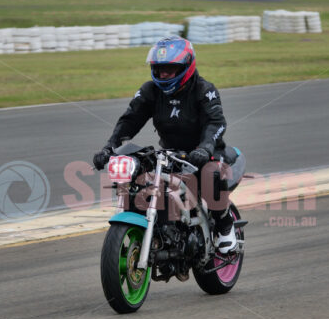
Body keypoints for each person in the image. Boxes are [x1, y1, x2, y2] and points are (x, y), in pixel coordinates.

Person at [93, 35, 238, 254]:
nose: (163, 74)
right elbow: (130, 120)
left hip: (205, 152)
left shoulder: (204, 90)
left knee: (211, 173)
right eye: (159, 69)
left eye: (169, 69)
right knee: (139, 174)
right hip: (172, 154)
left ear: (185, 67)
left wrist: (204, 148)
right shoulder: (151, 90)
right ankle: (161, 227)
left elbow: (216, 123)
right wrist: (109, 147)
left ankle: (226, 228)